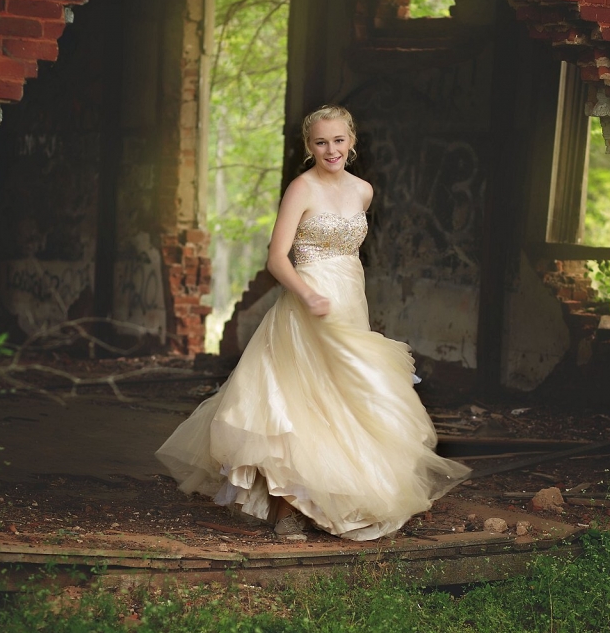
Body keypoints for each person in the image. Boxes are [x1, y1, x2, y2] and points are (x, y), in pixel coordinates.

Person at [156, 105, 470, 541]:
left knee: (348, 401)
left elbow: (353, 258)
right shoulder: (301, 189)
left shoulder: (363, 191)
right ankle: (287, 512)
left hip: (348, 304)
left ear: (351, 141)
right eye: (321, 142)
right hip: (304, 306)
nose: (331, 149)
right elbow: (275, 257)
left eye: (338, 140)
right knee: (295, 402)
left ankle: (338, 498)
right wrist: (306, 294)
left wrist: (345, 303)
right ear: (309, 147)